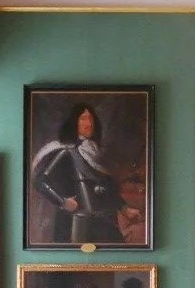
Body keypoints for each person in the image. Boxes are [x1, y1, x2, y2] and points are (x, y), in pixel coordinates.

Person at [31, 103, 141, 244]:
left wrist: (125, 209)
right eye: (83, 118)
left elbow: (105, 186)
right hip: (76, 224)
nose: (89, 123)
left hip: (105, 222)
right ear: (73, 122)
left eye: (91, 119)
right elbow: (40, 180)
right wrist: (63, 202)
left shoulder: (94, 152)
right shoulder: (64, 150)